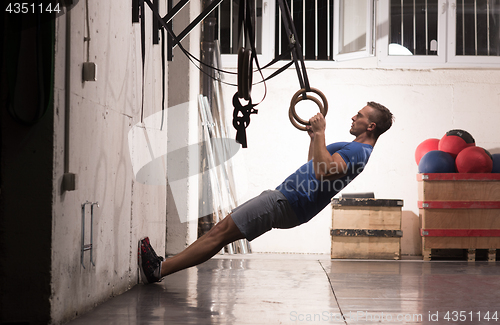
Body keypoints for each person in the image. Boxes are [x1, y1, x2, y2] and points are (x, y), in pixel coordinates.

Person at [139, 101, 394, 284]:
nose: (353, 117)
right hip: (287, 199)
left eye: (359, 115)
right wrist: (314, 138)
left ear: (370, 125)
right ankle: (162, 267)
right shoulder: (355, 149)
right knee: (222, 232)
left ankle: (159, 269)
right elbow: (315, 166)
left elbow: (324, 170)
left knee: (219, 232)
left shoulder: (359, 152)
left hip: (288, 202)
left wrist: (321, 133)